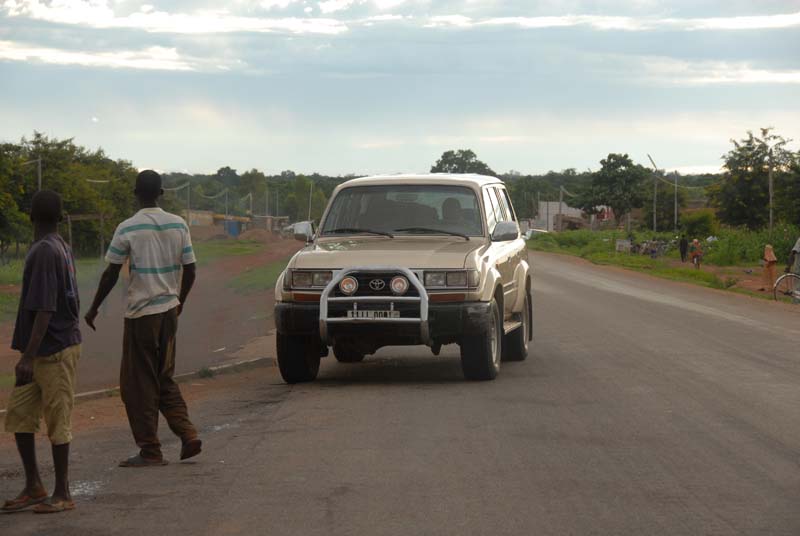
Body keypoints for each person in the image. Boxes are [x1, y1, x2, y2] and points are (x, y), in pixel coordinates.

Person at [85, 170, 202, 467]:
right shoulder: (179, 224)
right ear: (160, 193)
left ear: (136, 193)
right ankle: (188, 435)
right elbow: (190, 270)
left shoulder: (127, 228)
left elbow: (111, 272)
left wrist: (94, 307)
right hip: (168, 313)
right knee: (164, 377)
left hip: (142, 315)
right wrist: (180, 302)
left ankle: (150, 450)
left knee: (137, 384)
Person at [3, 191, 81, 514]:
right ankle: (34, 485)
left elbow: (45, 310)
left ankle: (62, 493)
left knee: (57, 418)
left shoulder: (47, 251)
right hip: (42, 351)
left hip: (53, 352)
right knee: (20, 414)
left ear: (30, 216)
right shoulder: (57, 246)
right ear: (60, 217)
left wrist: (28, 356)